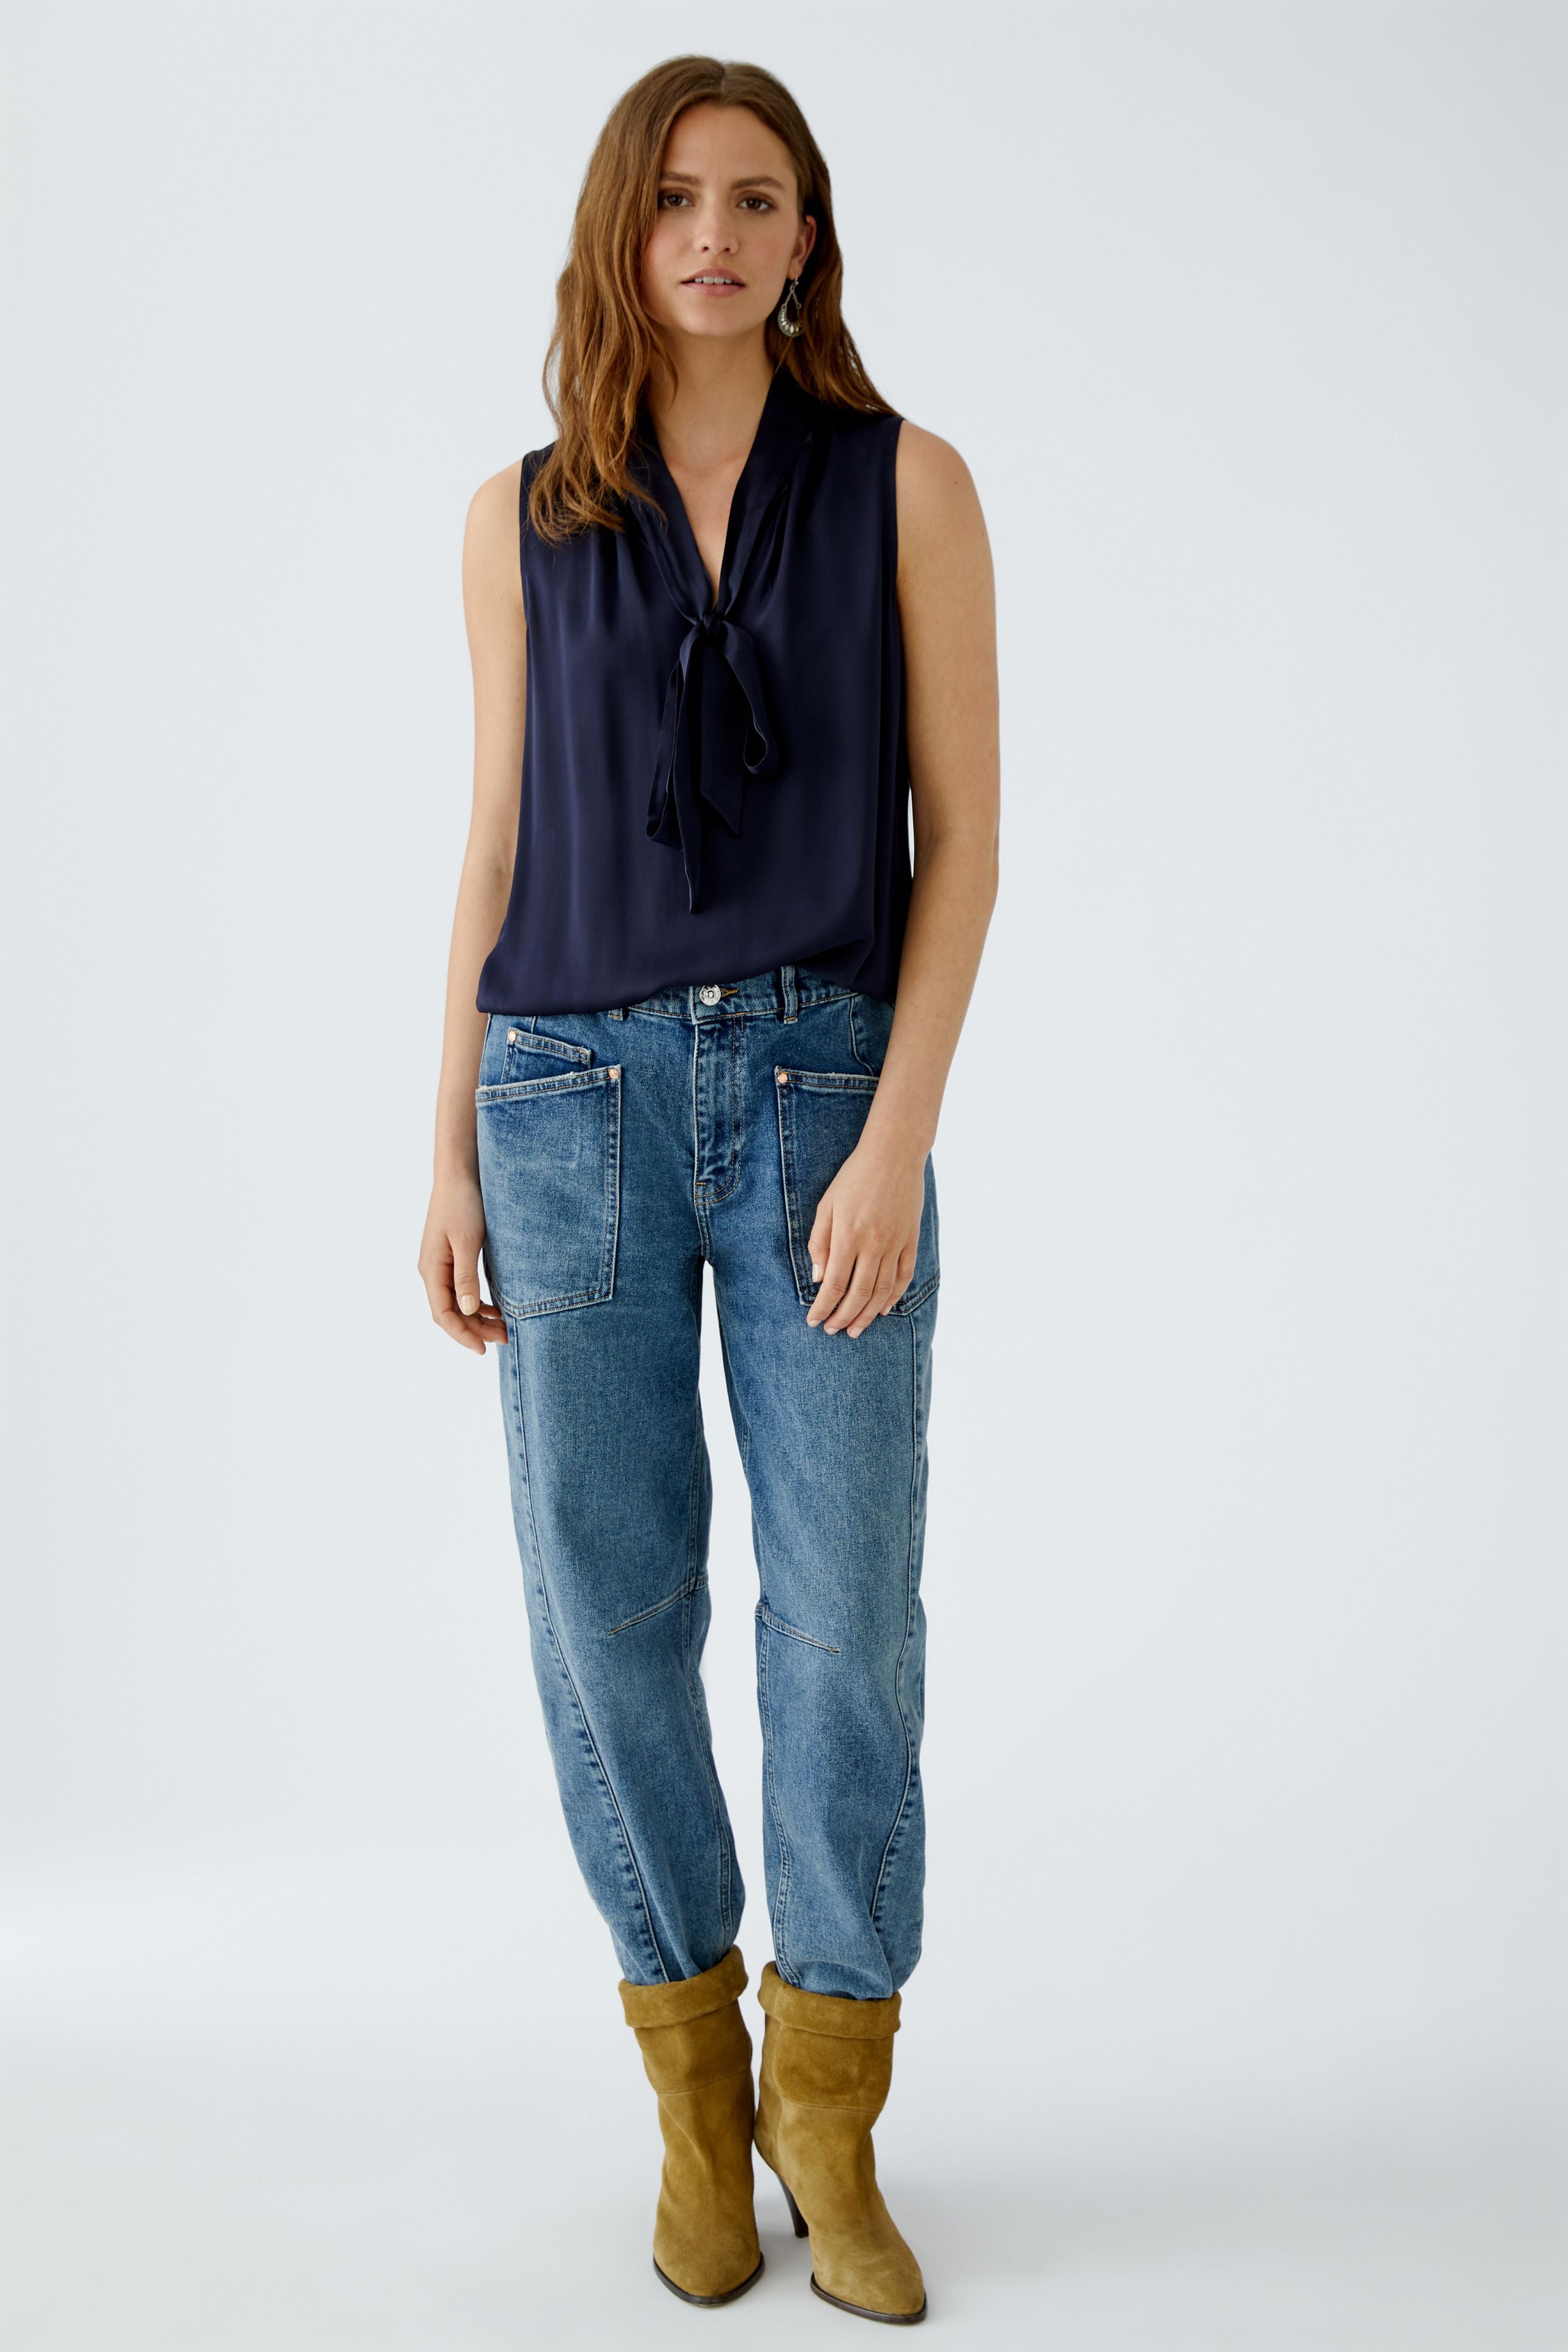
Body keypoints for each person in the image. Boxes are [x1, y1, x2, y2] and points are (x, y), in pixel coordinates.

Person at [418, 54, 998, 2327]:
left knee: (849, 1609)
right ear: (620, 228)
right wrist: (443, 1140)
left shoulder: (908, 484)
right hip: (564, 1095)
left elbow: (966, 844)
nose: (716, 238)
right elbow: (492, 844)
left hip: (824, 1085)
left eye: (760, 200)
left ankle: (828, 2109)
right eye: (677, 199)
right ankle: (692, 2092)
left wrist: (900, 1131)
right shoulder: (516, 517)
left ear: (809, 237)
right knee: (607, 1607)